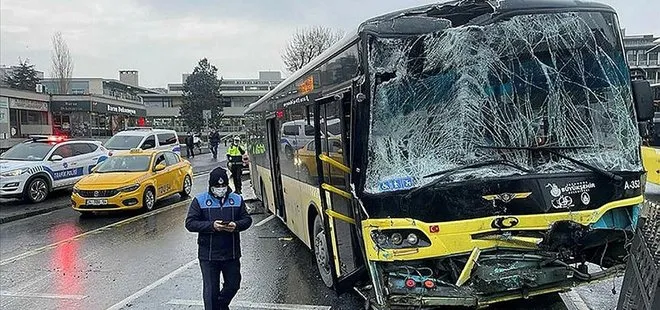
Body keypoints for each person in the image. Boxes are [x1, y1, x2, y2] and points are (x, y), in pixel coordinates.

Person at [185, 167, 252, 310]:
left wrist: (236, 225)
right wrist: (212, 226)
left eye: (223, 186)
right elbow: (190, 223)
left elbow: (247, 220)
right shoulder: (200, 201)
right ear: (211, 186)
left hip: (231, 253)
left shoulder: (237, 199)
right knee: (210, 292)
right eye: (217, 186)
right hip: (209, 255)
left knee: (233, 284)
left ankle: (220, 306)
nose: (220, 189)